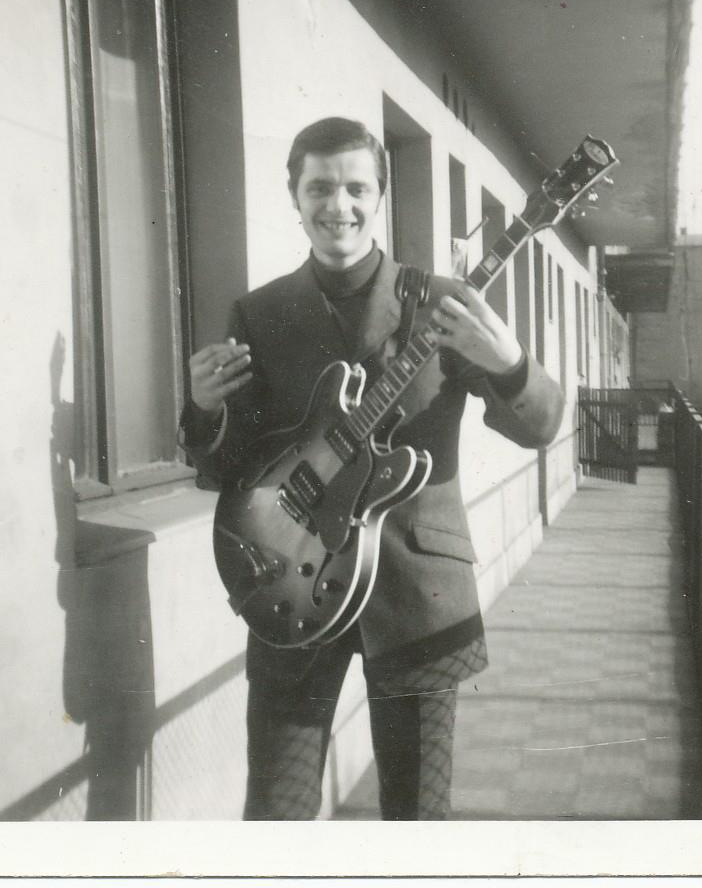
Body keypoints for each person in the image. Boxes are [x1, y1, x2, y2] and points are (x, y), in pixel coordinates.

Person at [180, 117, 564, 820]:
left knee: (417, 821)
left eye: (356, 188)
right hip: (291, 586)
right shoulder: (260, 313)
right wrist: (205, 412)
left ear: (380, 196)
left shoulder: (445, 304)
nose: (339, 205)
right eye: (319, 188)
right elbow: (232, 470)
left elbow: (539, 427)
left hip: (418, 596)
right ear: (294, 197)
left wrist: (509, 362)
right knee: (276, 816)